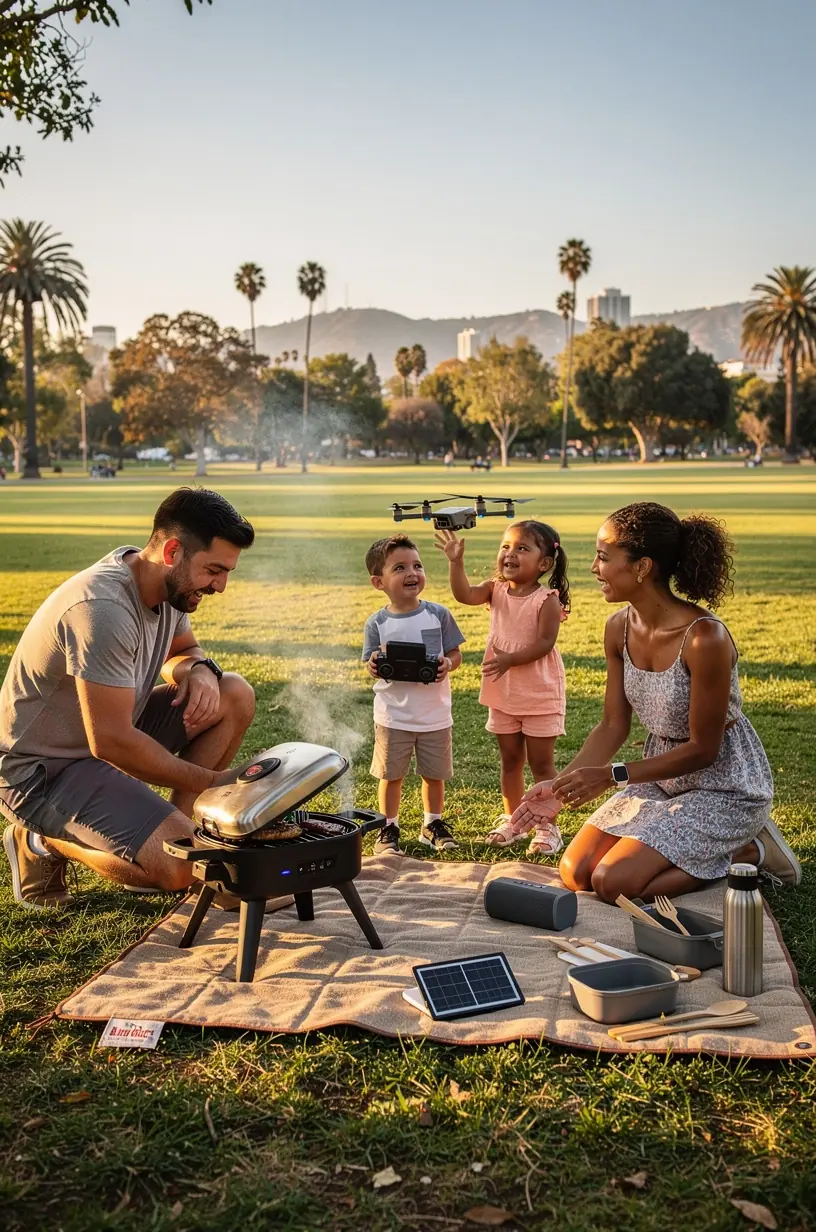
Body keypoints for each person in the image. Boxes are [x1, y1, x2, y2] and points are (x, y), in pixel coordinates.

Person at [511, 501, 800, 900]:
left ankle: (750, 849)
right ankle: (698, 849)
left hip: (723, 786)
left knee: (615, 883)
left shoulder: (705, 639)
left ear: (642, 567)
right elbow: (614, 725)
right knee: (576, 872)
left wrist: (610, 776)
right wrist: (559, 787)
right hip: (660, 779)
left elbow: (703, 750)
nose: (594, 568)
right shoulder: (618, 628)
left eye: (603, 557)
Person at [0, 487, 257, 909]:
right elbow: (112, 743)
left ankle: (184, 831)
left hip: (105, 733)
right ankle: (40, 841)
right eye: (214, 570)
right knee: (181, 869)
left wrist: (198, 668)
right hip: (43, 770)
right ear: (173, 551)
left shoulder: (167, 586)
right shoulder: (103, 608)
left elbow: (185, 651)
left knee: (233, 693)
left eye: (226, 572)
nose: (221, 586)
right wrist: (215, 784)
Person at [435, 520, 569, 856]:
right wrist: (456, 562)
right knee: (510, 760)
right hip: (504, 692)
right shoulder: (494, 589)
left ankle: (546, 825)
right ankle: (514, 819)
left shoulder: (546, 600)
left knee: (541, 765)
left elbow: (544, 643)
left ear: (544, 563)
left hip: (539, 693)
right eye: (506, 546)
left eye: (522, 548)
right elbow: (464, 595)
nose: (510, 553)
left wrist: (511, 659)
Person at [362, 534, 465, 856]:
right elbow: (369, 661)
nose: (412, 573)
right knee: (391, 776)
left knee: (434, 776)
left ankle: (431, 823)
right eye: (400, 568)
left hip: (434, 713)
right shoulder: (377, 622)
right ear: (379, 582)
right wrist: (375, 664)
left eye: (417, 566)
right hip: (394, 715)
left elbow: (456, 655)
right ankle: (388, 826)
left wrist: (448, 663)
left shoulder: (438, 614)